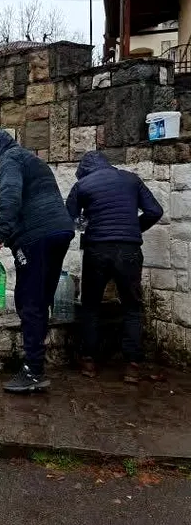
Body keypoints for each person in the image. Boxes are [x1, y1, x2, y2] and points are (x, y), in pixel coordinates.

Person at [0, 129, 74, 394]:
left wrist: (0, 233)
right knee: (41, 299)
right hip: (60, 232)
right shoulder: (33, 160)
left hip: (36, 237)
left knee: (29, 301)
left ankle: (33, 370)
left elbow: (11, 195)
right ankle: (36, 364)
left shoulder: (9, 160)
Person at [65, 151, 163, 383]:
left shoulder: (82, 186)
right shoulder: (131, 179)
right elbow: (155, 211)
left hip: (96, 249)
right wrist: (133, 229)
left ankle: (89, 361)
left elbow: (69, 218)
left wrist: (87, 225)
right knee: (132, 306)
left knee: (90, 305)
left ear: (84, 171)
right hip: (129, 250)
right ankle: (133, 365)